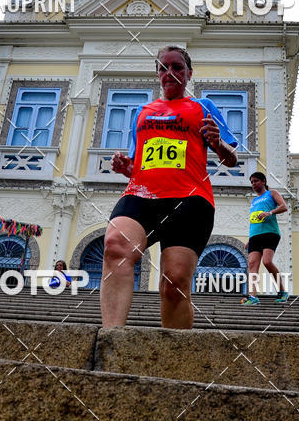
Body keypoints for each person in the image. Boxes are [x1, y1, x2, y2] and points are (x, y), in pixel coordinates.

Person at [100, 45, 239, 329]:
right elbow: (138, 165)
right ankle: (110, 339)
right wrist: (125, 167)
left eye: (177, 67)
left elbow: (231, 159)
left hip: (190, 201)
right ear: (158, 74)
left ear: (189, 74)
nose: (170, 73)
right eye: (164, 68)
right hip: (141, 195)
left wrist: (218, 143)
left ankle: (178, 357)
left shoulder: (203, 107)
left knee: (173, 284)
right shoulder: (142, 112)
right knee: (115, 246)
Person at [242, 171, 288, 305]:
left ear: (263, 181)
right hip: (255, 235)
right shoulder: (254, 201)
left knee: (267, 262)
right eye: (251, 182)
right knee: (252, 264)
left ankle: (282, 291)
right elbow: (254, 221)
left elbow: (283, 206)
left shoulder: (271, 193)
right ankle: (253, 297)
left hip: (270, 233)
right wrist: (250, 239)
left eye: (255, 181)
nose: (253, 184)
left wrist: (270, 212)